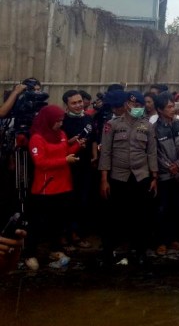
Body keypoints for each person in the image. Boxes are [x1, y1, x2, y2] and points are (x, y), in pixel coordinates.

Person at [98, 91, 158, 266]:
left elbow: (151, 152)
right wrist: (103, 179)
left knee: (141, 217)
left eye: (140, 105)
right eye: (133, 105)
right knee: (114, 216)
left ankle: (140, 252)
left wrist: (154, 176)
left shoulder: (147, 126)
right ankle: (108, 252)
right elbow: (106, 153)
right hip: (118, 177)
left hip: (141, 177)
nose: (136, 108)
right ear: (126, 105)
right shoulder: (112, 124)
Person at [25, 105, 83, 270]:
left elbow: (64, 153)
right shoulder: (37, 138)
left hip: (63, 186)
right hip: (45, 188)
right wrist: (65, 161)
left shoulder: (62, 134)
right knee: (37, 223)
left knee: (58, 222)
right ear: (48, 120)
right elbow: (41, 163)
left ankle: (55, 249)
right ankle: (30, 253)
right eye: (57, 121)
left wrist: (77, 146)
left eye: (61, 121)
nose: (60, 124)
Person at [153, 92, 179, 257]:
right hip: (164, 176)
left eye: (173, 106)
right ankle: (161, 241)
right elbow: (155, 152)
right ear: (160, 110)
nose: (172, 109)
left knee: (178, 207)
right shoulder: (154, 129)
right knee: (162, 209)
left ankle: (174, 238)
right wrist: (169, 166)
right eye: (169, 107)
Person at [61, 90, 96, 249]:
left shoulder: (88, 118)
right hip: (67, 167)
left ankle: (78, 234)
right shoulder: (62, 121)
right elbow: (58, 145)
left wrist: (94, 156)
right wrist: (70, 142)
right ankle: (65, 234)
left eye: (80, 101)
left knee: (83, 201)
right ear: (66, 105)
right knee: (67, 202)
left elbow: (94, 139)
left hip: (86, 166)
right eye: (74, 103)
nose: (78, 105)